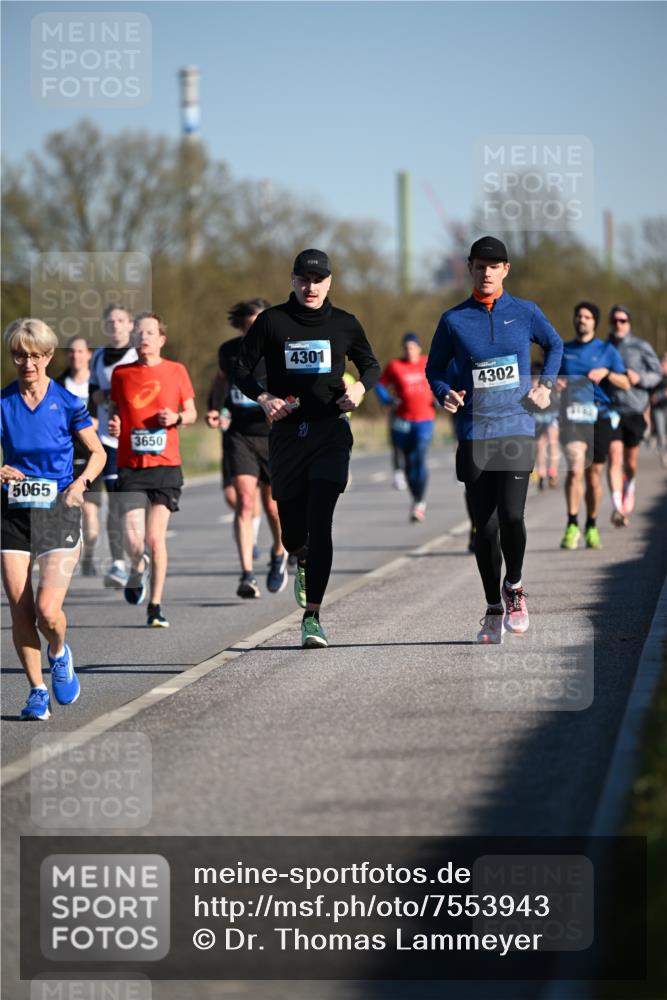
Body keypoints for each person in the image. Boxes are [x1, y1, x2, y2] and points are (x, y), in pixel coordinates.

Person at [235, 248, 380, 648]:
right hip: (286, 434)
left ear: (329, 281)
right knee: (293, 529)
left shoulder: (344, 323)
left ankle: (312, 617)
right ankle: (300, 556)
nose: (310, 286)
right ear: (293, 280)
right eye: (303, 279)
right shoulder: (272, 322)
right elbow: (241, 367)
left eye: (317, 280)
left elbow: (371, 365)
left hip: (330, 431)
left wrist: (360, 388)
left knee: (321, 518)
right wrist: (264, 398)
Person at [426, 235, 563, 644]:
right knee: (484, 530)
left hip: (517, 426)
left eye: (494, 265)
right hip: (474, 431)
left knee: (513, 517)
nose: (487, 272)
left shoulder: (525, 312)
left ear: (506, 269)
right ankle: (492, 607)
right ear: (470, 268)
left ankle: (515, 587)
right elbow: (433, 369)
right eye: (480, 265)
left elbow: (554, 344)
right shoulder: (453, 320)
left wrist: (546, 386)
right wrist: (443, 393)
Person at [1, 319, 105, 720]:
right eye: (19, 355)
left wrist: (81, 484)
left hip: (58, 508)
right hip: (13, 512)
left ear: (47, 356)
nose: (27, 363)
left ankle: (59, 652)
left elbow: (97, 453)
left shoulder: (67, 402)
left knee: (47, 611)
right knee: (20, 609)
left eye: (34, 355)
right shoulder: (3, 403)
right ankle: (36, 691)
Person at [108, 312, 196, 627]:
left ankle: (155, 605)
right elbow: (115, 410)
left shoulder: (176, 370)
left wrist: (176, 418)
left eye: (150, 332)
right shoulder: (121, 374)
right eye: (140, 333)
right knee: (134, 541)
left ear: (161, 339)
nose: (144, 337)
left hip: (165, 466)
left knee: (155, 539)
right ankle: (136, 567)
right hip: (130, 465)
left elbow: (191, 413)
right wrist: (114, 422)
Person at [205, 299, 288, 598]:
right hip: (239, 435)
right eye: (252, 325)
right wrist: (214, 408)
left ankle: (279, 555)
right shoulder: (229, 351)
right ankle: (247, 574)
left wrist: (282, 407)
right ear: (242, 326)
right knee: (243, 501)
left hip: (273, 435)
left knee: (273, 508)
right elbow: (221, 381)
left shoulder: (279, 351)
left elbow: (295, 391)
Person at [557, 302, 629, 550]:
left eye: (587, 317)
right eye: (578, 316)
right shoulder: (563, 349)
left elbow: (626, 383)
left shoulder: (607, 350)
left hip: (599, 415)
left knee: (594, 476)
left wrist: (607, 373)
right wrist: (556, 385)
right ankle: (571, 524)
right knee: (576, 469)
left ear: (595, 322)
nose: (582, 320)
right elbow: (550, 379)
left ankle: (591, 525)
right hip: (572, 414)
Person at [89, 305, 138, 588]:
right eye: (111, 321)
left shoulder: (137, 356)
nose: (116, 325)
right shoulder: (97, 356)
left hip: (134, 439)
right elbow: (91, 394)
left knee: (131, 504)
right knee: (114, 501)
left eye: (121, 320)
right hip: (107, 440)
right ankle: (119, 563)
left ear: (130, 325)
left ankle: (139, 556)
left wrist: (106, 394)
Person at [605, 305, 662, 525]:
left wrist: (640, 378)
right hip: (611, 410)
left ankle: (630, 484)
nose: (618, 324)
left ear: (629, 323)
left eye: (623, 321)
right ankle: (618, 507)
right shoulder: (604, 347)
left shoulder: (641, 346)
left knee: (630, 461)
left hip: (635, 409)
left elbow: (657, 374)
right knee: (614, 456)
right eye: (615, 321)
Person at [55, 336, 104, 575]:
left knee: (91, 514)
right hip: (64, 455)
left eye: (80, 351)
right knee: (63, 509)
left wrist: (96, 422)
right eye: (71, 352)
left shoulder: (96, 386)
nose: (75, 356)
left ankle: (89, 555)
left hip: (93, 454)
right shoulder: (57, 385)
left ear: (89, 354)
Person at [375, 332, 436, 522]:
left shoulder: (428, 362)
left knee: (419, 453)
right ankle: (416, 500)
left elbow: (443, 378)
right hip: (403, 420)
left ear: (419, 348)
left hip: (425, 419)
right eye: (407, 347)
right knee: (408, 463)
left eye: (413, 347)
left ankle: (420, 501)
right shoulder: (395, 366)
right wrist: (387, 399)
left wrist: (440, 396)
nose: (410, 351)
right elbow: (378, 384)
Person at [531, 362, 560, 491]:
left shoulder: (553, 371)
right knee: (542, 445)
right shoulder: (540, 371)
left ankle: (550, 473)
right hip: (539, 415)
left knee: (549, 443)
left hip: (551, 413)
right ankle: (544, 474)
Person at [650, 352, 667, 468]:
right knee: (661, 433)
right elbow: (651, 394)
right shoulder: (656, 377)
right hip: (657, 408)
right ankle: (663, 455)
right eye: (663, 364)